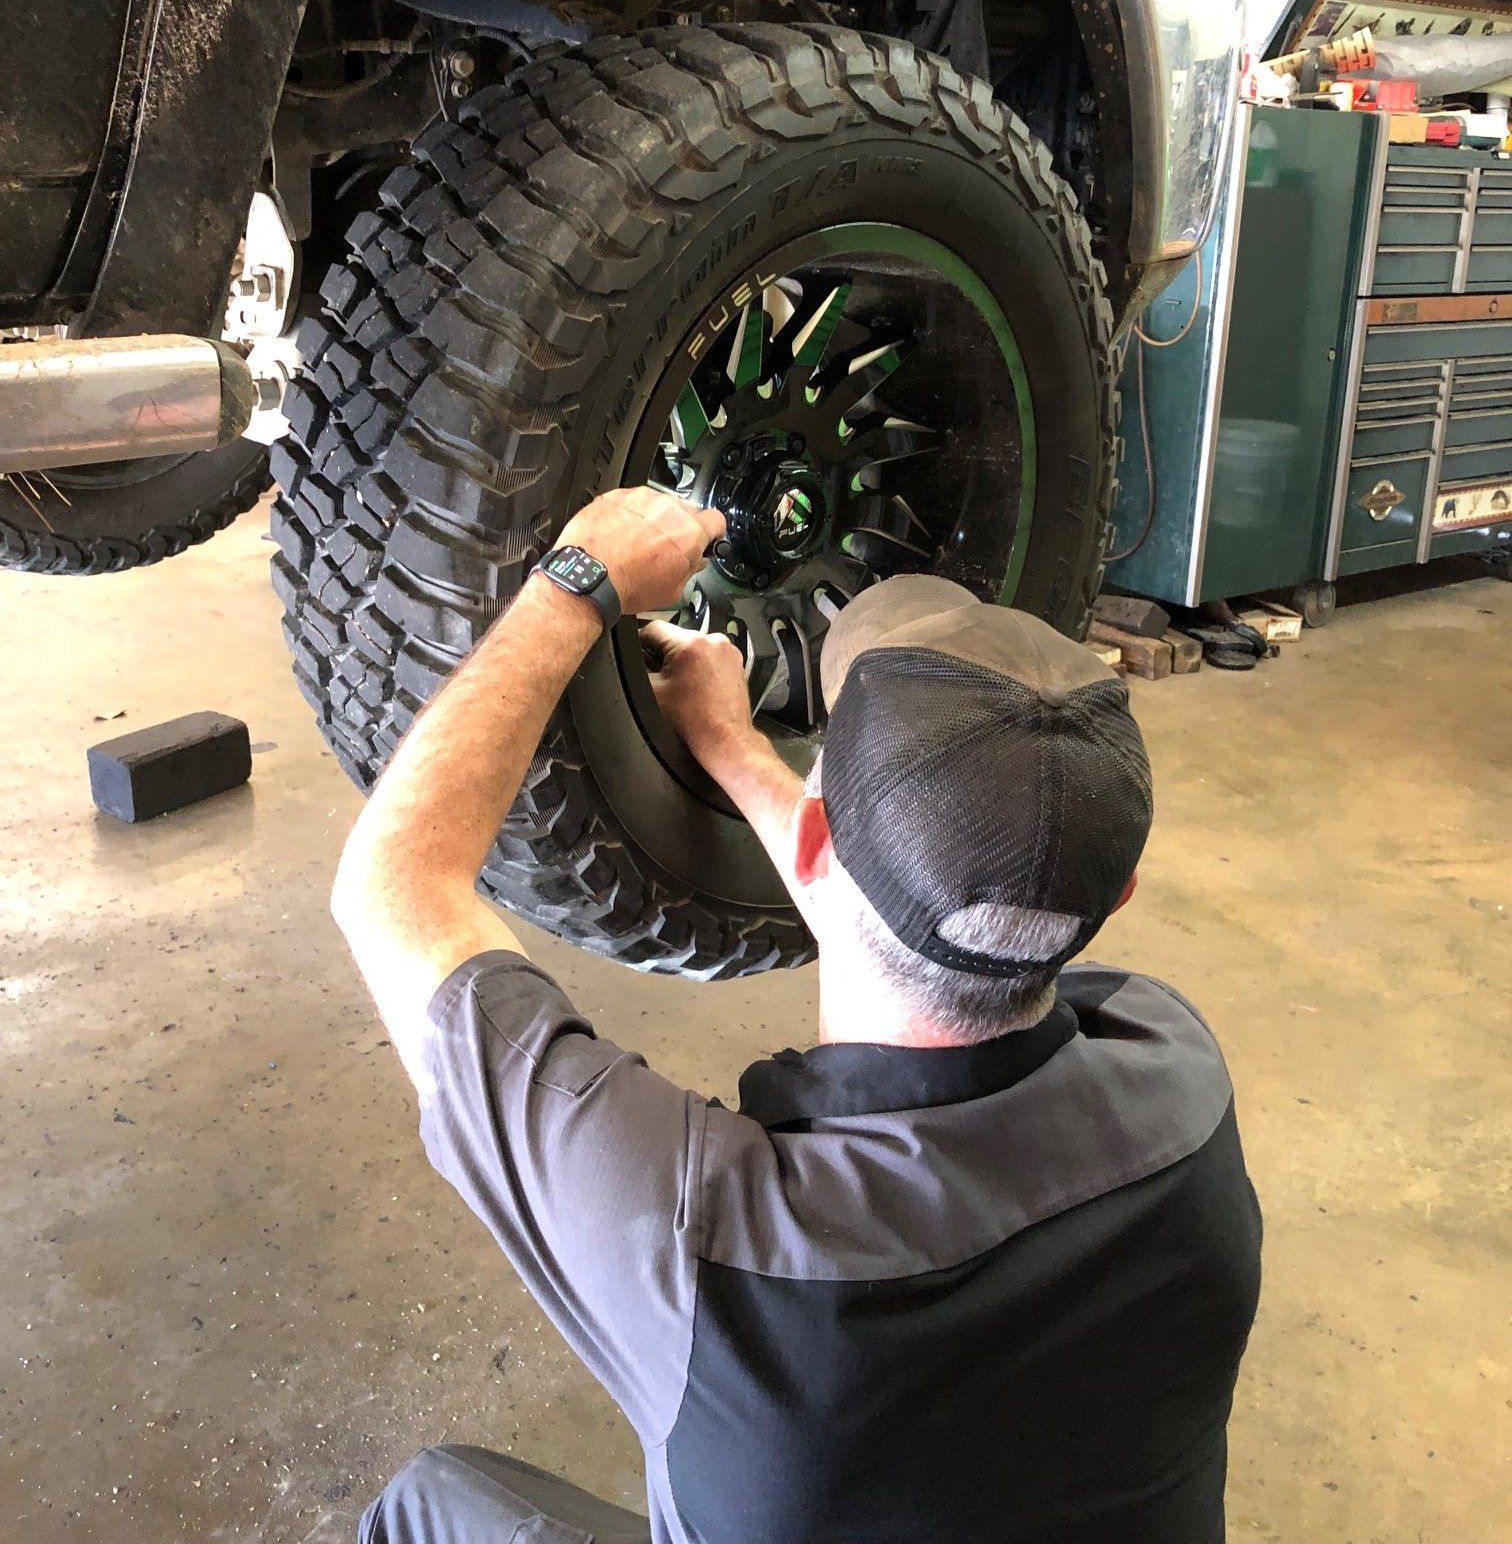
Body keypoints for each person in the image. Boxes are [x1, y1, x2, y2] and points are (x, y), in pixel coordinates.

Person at [333, 486, 1262, 1544]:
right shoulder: (1179, 1072)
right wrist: (731, 747)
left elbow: (391, 892)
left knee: (428, 1500)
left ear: (818, 842)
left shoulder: (710, 1247)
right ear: (1118, 895)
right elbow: (928, 916)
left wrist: (576, 582)